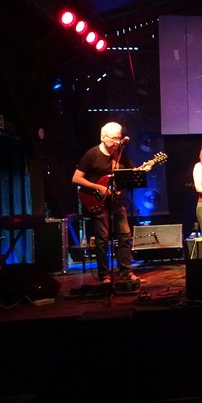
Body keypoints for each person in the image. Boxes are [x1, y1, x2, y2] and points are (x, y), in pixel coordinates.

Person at [72, 122, 149, 284]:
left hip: (115, 199)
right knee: (102, 238)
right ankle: (104, 275)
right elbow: (76, 178)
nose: (117, 142)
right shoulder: (91, 154)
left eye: (119, 138)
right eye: (114, 138)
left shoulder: (120, 152)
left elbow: (131, 172)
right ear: (103, 137)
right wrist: (98, 187)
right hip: (96, 199)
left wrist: (142, 170)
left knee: (125, 235)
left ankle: (125, 272)